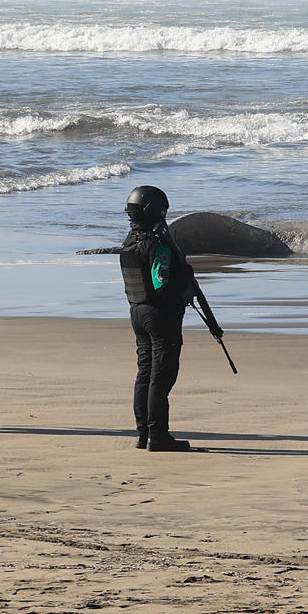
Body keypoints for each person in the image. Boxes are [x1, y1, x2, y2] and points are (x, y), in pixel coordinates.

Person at [118, 185, 199, 452]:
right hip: (160, 315)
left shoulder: (129, 242)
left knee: (144, 373)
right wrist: (183, 287)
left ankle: (143, 434)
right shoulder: (158, 246)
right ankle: (158, 436)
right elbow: (161, 283)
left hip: (137, 312)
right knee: (161, 377)